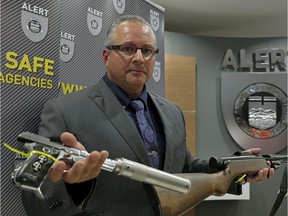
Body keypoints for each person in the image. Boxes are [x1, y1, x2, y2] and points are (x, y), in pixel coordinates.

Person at [22, 15, 274, 216]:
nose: (139, 58)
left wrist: (234, 166)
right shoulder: (65, 110)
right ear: (106, 56)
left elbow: (183, 168)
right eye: (128, 48)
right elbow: (37, 197)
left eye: (148, 51)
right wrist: (74, 186)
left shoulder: (172, 112)